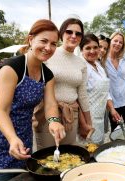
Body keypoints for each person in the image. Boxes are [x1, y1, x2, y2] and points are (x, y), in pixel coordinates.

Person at [0, 19, 66, 181]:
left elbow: (51, 105)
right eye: (43, 41)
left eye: (53, 43)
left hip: (22, 133)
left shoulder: (48, 75)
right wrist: (12, 138)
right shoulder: (11, 67)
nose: (48, 48)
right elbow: (1, 109)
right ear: (31, 39)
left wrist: (54, 121)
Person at [34, 18, 92, 149]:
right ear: (61, 33)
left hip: (71, 115)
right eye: (69, 32)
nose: (73, 36)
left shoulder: (81, 63)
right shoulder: (48, 53)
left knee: (70, 154)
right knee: (48, 156)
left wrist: (88, 122)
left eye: (78, 33)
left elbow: (82, 94)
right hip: (47, 115)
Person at [80, 33, 110, 144]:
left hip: (100, 117)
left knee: (98, 147)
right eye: (88, 48)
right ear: (81, 50)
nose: (92, 51)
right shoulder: (82, 67)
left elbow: (105, 91)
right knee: (88, 150)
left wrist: (112, 109)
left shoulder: (99, 66)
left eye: (95, 47)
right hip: (87, 119)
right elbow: (78, 98)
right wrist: (84, 124)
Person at [105, 31, 125, 131]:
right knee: (115, 129)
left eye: (120, 42)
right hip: (112, 102)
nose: (118, 44)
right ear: (110, 41)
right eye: (115, 41)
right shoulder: (103, 60)